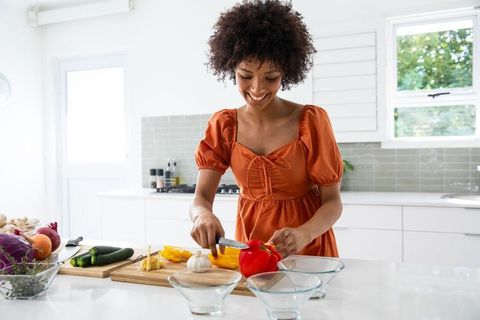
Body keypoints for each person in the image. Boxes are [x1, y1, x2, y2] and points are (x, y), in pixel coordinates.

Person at [190, 0, 343, 258]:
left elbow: (333, 203)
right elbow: (201, 198)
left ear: (286, 70)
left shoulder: (311, 121)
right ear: (231, 68)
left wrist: (303, 234)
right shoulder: (224, 125)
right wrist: (202, 215)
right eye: (245, 75)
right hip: (251, 248)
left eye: (271, 77)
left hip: (308, 248)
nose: (258, 89)